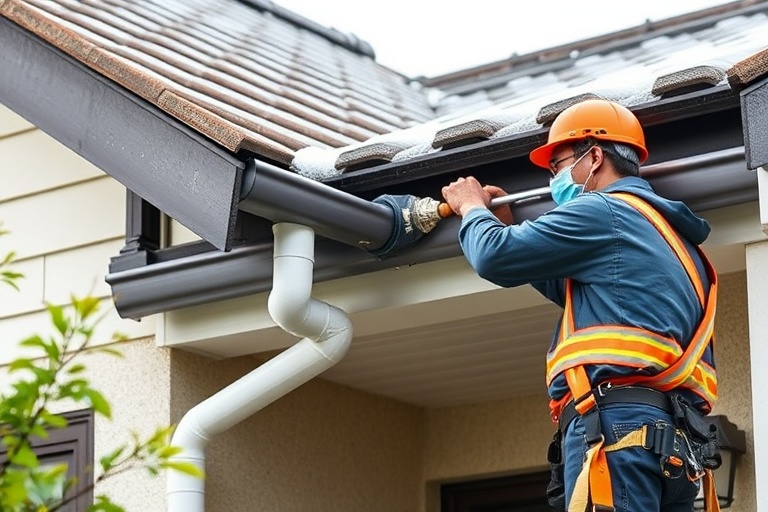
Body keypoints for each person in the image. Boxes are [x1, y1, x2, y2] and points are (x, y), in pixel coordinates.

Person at [441, 99, 720, 512]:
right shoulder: (677, 243)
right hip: (674, 443)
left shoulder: (603, 210)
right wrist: (508, 224)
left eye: (558, 166)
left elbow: (495, 258)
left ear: (594, 158)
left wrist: (471, 208)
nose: (554, 179)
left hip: (618, 430)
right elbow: (575, 286)